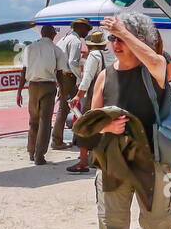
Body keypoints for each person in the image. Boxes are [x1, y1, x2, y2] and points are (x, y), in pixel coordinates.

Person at [88, 12, 171, 229]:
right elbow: (90, 120)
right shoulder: (105, 75)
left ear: (137, 39)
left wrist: (125, 32)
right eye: (112, 38)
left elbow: (157, 64)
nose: (115, 44)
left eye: (121, 38)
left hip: (152, 162)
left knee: (158, 223)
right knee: (111, 227)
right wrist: (106, 128)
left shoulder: (155, 68)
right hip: (113, 163)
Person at [15, 25, 69, 165]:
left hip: (32, 87)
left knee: (33, 120)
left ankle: (31, 151)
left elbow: (24, 70)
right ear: (52, 34)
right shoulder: (56, 50)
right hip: (48, 86)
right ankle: (40, 155)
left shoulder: (29, 48)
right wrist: (63, 92)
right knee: (45, 122)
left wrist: (19, 91)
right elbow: (59, 74)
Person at [68, 27, 109, 174]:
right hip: (110, 95)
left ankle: (83, 162)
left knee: (84, 126)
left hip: (95, 95)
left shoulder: (94, 56)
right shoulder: (110, 55)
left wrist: (78, 96)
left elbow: (87, 79)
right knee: (105, 127)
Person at [52, 18, 91, 149]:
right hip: (69, 77)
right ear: (80, 27)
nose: (87, 32)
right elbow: (73, 62)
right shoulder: (75, 41)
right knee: (72, 108)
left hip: (61, 76)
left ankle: (67, 138)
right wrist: (81, 78)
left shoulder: (64, 39)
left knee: (67, 108)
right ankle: (59, 140)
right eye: (86, 29)